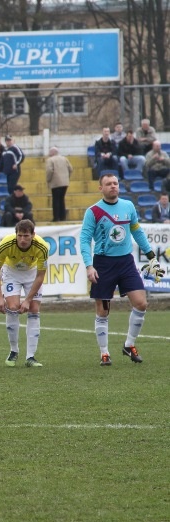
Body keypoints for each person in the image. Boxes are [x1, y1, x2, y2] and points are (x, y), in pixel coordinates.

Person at [80, 174, 164, 366]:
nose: (113, 186)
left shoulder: (128, 206)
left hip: (126, 262)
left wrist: (151, 256)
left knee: (141, 303)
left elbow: (136, 230)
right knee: (103, 311)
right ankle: (104, 353)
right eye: (108, 184)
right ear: (100, 188)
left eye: (115, 183)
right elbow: (84, 240)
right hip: (103, 263)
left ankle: (129, 345)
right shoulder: (93, 211)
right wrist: (89, 265)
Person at [0, 219, 49, 368]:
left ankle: (31, 356)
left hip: (32, 274)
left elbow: (40, 276)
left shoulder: (42, 246)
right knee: (13, 306)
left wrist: (28, 300)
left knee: (34, 309)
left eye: (26, 236)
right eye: (20, 236)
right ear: (15, 234)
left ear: (33, 235)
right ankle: (13, 351)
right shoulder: (5, 244)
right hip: (12, 273)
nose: (22, 239)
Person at [45, 147, 73, 222]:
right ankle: (63, 216)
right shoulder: (64, 159)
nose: (49, 153)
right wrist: (67, 177)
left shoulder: (50, 160)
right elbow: (70, 169)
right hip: (65, 182)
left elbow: (49, 170)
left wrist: (48, 179)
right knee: (62, 199)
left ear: (53, 152)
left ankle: (56, 217)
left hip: (55, 182)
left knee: (56, 200)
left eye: (50, 152)